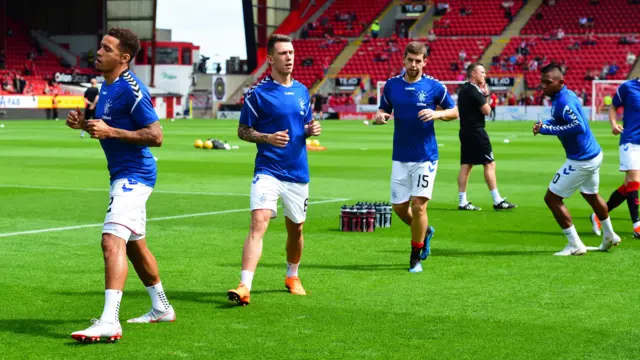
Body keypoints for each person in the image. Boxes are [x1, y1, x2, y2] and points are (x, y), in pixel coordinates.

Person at [66, 27, 175, 343]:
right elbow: (106, 125)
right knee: (134, 245)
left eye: (106, 48)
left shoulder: (131, 89)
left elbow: (156, 136)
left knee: (110, 240)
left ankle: (109, 320)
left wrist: (112, 132)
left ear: (124, 58)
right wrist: (83, 124)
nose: (99, 52)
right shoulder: (106, 85)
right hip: (122, 173)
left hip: (135, 175)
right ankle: (161, 307)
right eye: (100, 46)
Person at [227, 34, 322, 306]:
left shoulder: (303, 91)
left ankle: (292, 275)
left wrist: (311, 129)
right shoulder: (258, 94)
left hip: (297, 172)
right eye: (283, 53)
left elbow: (303, 125)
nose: (289, 57)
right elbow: (243, 132)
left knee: (297, 230)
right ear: (271, 58)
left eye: (291, 52)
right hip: (268, 169)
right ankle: (245, 285)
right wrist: (267, 137)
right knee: (258, 223)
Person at [375, 41, 458, 273]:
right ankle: (424, 230)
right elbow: (383, 109)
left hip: (425, 157)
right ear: (403, 59)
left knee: (419, 206)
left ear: (425, 62)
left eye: (418, 61)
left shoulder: (434, 87)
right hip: (400, 156)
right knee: (399, 207)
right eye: (409, 60)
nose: (413, 65)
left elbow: (455, 111)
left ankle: (415, 258)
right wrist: (380, 116)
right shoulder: (391, 85)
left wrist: (437, 113)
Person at [532, 64, 620, 256]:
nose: (544, 86)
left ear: (560, 82)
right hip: (593, 154)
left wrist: (547, 130)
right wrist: (545, 124)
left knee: (552, 198)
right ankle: (610, 235)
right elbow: (563, 121)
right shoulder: (561, 96)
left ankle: (575, 244)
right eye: (542, 83)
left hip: (582, 159)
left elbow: (578, 126)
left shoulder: (563, 101)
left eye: (548, 82)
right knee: (591, 194)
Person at [456, 63, 516, 211]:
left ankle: (462, 201)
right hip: (477, 131)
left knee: (466, 166)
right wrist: (486, 94)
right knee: (489, 163)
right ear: (473, 74)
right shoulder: (474, 90)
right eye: (481, 72)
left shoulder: (463, 89)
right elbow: (487, 111)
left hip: (465, 131)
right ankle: (497, 200)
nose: (484, 75)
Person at [591, 78, 640, 238]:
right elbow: (613, 107)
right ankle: (637, 225)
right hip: (630, 139)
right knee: (634, 181)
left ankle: (599, 214)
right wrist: (613, 123)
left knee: (628, 186)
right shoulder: (628, 87)